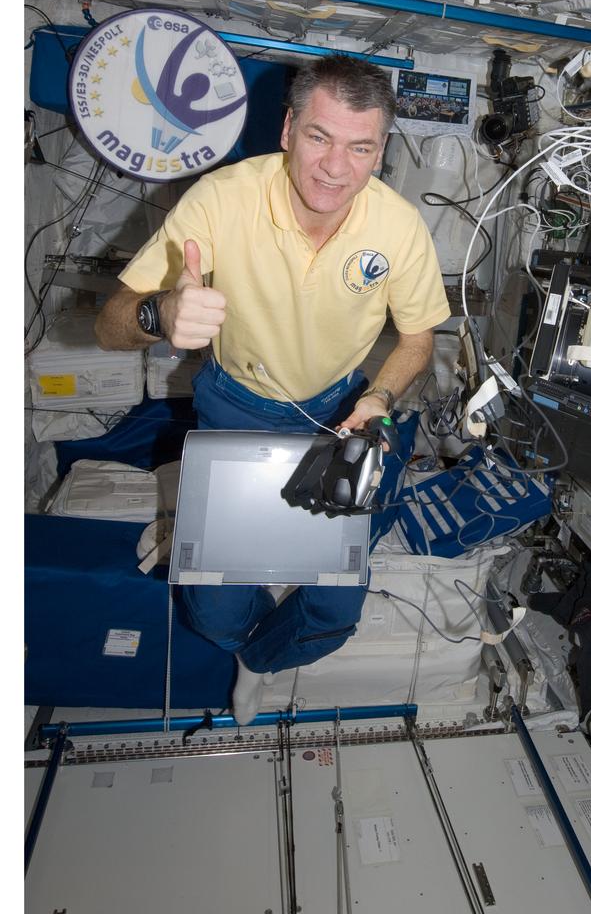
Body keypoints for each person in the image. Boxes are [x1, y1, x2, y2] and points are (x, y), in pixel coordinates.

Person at [95, 54, 450, 722]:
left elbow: (417, 340)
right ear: (288, 130)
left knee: (334, 615)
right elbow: (108, 323)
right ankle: (241, 641)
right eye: (319, 137)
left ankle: (259, 660)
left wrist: (379, 399)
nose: (335, 167)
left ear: (380, 152)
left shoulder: (399, 226)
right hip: (237, 406)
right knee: (214, 613)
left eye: (360, 147)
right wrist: (159, 315)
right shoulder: (222, 199)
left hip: (339, 415)